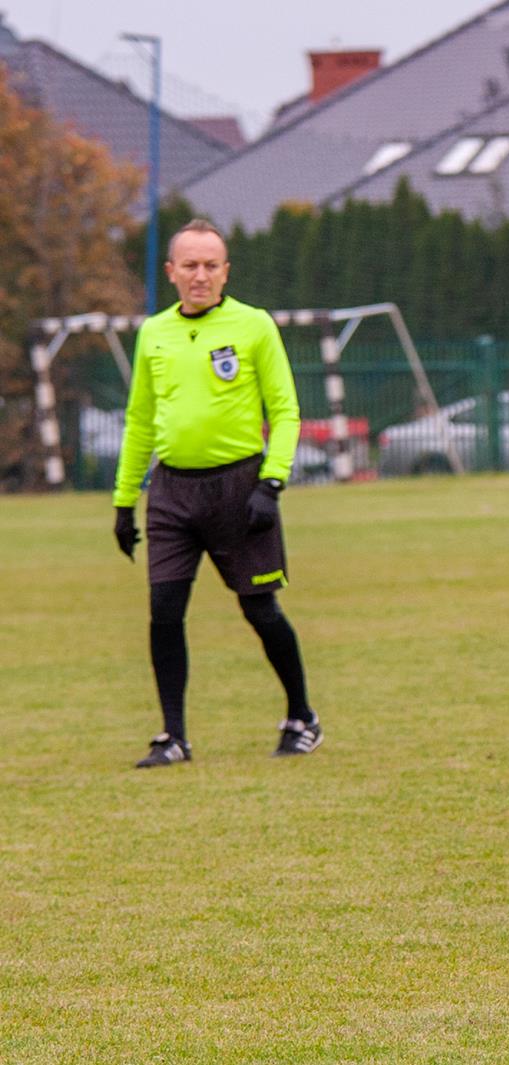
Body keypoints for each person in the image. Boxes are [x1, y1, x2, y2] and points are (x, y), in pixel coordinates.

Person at [112, 218, 321, 768]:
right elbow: (139, 421)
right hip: (172, 490)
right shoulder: (153, 332)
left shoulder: (253, 326)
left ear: (225, 271)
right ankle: (173, 736)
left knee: (260, 609)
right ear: (171, 272)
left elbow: (286, 410)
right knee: (164, 610)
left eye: (211, 265)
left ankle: (302, 715)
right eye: (190, 265)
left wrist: (271, 483)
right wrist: (122, 500)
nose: (200, 275)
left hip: (240, 488)